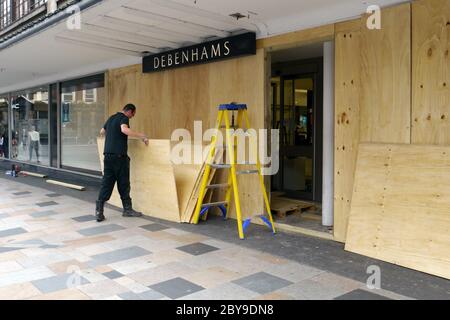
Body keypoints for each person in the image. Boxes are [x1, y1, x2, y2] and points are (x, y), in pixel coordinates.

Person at [95, 104, 149, 222]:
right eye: (133, 114)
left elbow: (102, 131)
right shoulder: (124, 118)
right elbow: (124, 130)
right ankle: (127, 209)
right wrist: (142, 136)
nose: (132, 117)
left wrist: (112, 139)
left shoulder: (111, 118)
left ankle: (99, 211)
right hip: (119, 157)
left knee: (107, 183)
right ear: (129, 111)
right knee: (124, 183)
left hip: (108, 156)